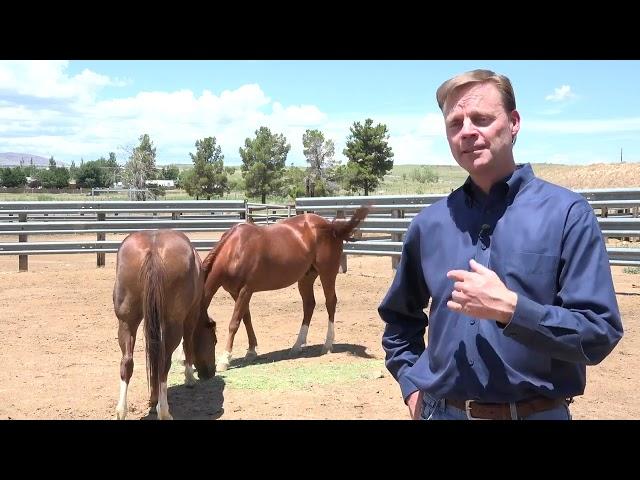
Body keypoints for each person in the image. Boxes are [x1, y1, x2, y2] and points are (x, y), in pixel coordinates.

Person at [378, 69, 624, 420]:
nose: (467, 132)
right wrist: (412, 388)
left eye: (481, 119)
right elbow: (400, 320)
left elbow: (599, 332)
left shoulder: (567, 214)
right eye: (455, 123)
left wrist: (512, 310)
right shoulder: (429, 224)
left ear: (513, 123)